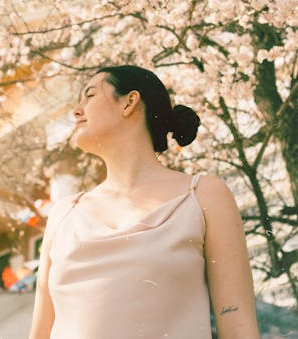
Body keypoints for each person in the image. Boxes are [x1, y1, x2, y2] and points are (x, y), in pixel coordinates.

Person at [29, 65, 259, 339]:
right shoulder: (63, 214)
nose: (77, 111)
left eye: (89, 96)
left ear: (129, 102)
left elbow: (237, 323)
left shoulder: (203, 195)